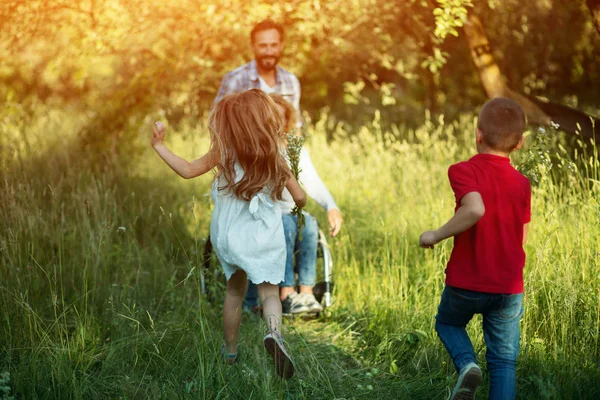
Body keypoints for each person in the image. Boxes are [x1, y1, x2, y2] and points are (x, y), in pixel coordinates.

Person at [151, 89, 306, 379]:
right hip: (262, 237)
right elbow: (300, 198)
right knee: (269, 292)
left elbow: (186, 170)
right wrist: (293, 199)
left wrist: (160, 146)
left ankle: (230, 352)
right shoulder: (276, 158)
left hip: (229, 237)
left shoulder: (223, 152)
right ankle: (274, 334)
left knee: (234, 291)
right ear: (264, 121)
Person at [214, 19, 343, 314]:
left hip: (279, 195)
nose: (269, 50)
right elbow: (221, 125)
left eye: (274, 44)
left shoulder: (290, 84)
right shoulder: (235, 80)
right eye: (263, 44)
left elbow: (302, 167)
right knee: (280, 223)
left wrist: (330, 205)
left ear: (281, 45)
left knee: (303, 222)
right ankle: (280, 293)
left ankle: (302, 292)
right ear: (254, 46)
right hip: (245, 188)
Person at [419, 97, 531, 400]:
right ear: (520, 142)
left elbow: (475, 208)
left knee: (447, 323)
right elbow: (523, 235)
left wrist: (435, 234)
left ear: (477, 134)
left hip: (466, 283)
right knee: (504, 362)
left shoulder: (463, 170)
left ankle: (467, 365)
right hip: (508, 287)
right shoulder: (522, 183)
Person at [269, 93, 342, 314]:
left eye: (280, 117)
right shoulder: (254, 148)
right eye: (270, 116)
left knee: (308, 224)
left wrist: (331, 206)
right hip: (267, 214)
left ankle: (307, 294)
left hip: (291, 211)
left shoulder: (294, 148)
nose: (275, 122)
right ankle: (287, 293)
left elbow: (312, 181)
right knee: (288, 223)